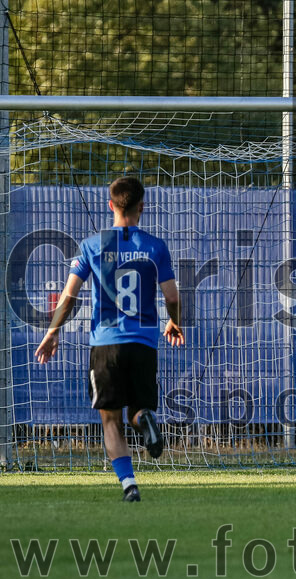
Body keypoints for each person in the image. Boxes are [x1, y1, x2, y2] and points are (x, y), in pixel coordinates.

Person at [35, 177, 184, 501]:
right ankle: (145, 418)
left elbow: (69, 296)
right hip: (143, 343)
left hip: (105, 342)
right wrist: (174, 321)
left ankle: (129, 485)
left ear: (110, 205)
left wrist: (52, 331)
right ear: (141, 207)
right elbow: (172, 296)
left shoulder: (92, 245)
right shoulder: (155, 246)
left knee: (110, 419)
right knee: (137, 409)